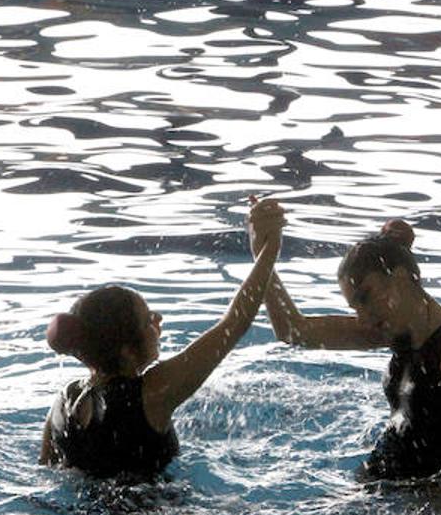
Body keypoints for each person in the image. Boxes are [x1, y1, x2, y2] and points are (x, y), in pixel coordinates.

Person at [248, 206, 441, 479]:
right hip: (383, 485)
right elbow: (293, 331)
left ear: (400, 277)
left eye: (366, 297)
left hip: (427, 501)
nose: (363, 319)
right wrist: (263, 254)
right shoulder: (390, 332)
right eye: (355, 306)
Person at [41, 197, 286, 478]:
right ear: (127, 352)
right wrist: (269, 249)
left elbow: (46, 469)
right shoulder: (153, 392)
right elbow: (233, 324)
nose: (158, 319)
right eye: (148, 321)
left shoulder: (64, 401)